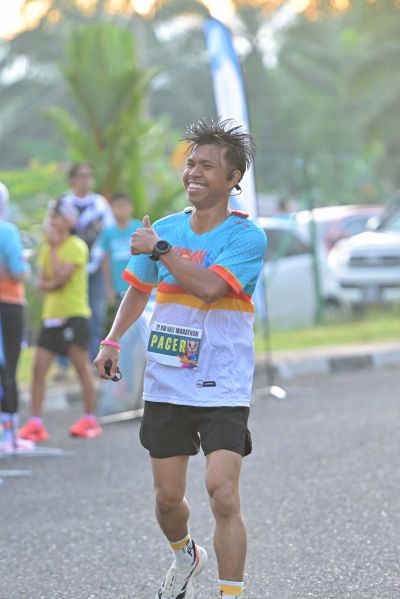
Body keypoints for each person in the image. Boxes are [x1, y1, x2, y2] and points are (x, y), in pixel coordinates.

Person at [94, 118, 267, 599]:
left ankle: (230, 594)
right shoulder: (166, 228)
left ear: (233, 178)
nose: (194, 172)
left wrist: (161, 250)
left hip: (223, 380)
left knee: (223, 493)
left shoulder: (245, 236)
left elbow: (210, 288)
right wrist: (112, 340)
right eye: (191, 163)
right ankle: (185, 555)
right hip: (169, 378)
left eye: (207, 166)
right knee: (168, 500)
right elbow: (138, 289)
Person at [19, 200, 102, 442]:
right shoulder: (47, 248)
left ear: (69, 221)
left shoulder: (76, 246)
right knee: (38, 370)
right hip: (51, 317)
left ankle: (89, 418)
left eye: (56, 216)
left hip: (74, 315)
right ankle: (35, 423)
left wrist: (54, 250)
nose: (51, 220)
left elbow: (58, 279)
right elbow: (41, 283)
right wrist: (51, 277)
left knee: (81, 368)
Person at [56, 162, 115, 367]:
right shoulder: (62, 203)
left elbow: (108, 235)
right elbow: (53, 231)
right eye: (81, 176)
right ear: (72, 179)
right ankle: (63, 361)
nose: (86, 180)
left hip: (94, 267)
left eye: (89, 176)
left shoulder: (100, 204)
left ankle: (92, 360)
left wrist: (104, 266)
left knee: (95, 312)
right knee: (64, 311)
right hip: (68, 268)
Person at [0, 182, 33, 453]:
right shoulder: (7, 230)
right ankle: (8, 436)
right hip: (7, 304)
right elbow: (18, 272)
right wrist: (25, 260)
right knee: (7, 367)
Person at [95, 192, 142, 310]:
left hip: (138, 286)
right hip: (118, 289)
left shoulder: (139, 227)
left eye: (125, 206)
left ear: (131, 207)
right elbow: (105, 262)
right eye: (118, 206)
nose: (122, 210)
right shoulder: (108, 232)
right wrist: (109, 289)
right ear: (112, 209)